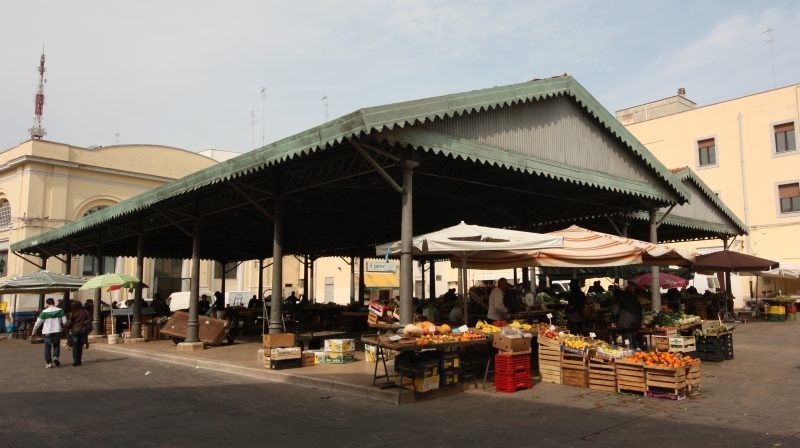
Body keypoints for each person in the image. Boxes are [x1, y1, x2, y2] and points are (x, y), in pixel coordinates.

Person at [32, 298, 67, 368]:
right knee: (56, 345)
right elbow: (65, 321)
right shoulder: (60, 311)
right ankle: (55, 356)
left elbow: (37, 323)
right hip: (57, 331)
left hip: (47, 331)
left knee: (47, 347)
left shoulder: (44, 312)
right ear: (54, 303)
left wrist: (34, 332)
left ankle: (49, 363)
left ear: (47, 304)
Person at [612, 285, 643, 350]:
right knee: (633, 340)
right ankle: (635, 355)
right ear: (633, 290)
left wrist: (614, 320)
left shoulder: (621, 296)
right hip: (635, 322)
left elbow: (615, 309)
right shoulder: (635, 298)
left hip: (625, 322)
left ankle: (630, 356)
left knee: (628, 343)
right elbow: (640, 310)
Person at [65, 301, 91, 367]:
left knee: (75, 346)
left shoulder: (72, 313)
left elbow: (69, 323)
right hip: (83, 330)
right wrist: (85, 322)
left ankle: (75, 361)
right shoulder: (85, 312)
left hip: (75, 330)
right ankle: (79, 360)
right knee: (80, 346)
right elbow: (91, 319)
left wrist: (63, 325)